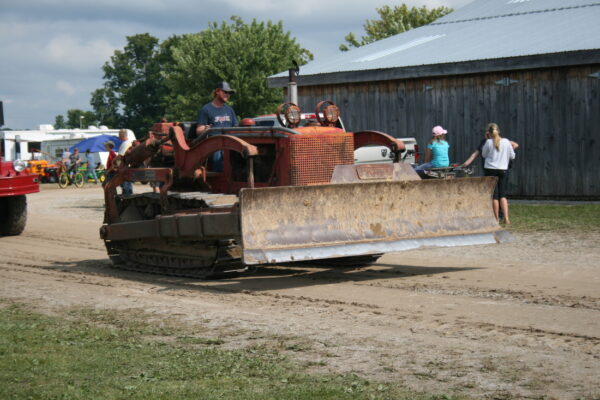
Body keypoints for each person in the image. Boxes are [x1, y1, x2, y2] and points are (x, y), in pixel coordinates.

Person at [194, 81, 238, 172]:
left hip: (229, 144)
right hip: (214, 146)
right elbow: (198, 130)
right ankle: (220, 177)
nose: (228, 95)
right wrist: (205, 129)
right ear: (217, 91)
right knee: (217, 153)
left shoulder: (230, 110)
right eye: (225, 92)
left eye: (229, 93)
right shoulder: (206, 110)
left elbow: (236, 128)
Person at [481, 123, 516, 224]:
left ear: (488, 133)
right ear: (498, 131)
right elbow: (512, 156)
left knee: (494, 196)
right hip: (503, 170)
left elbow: (483, 155)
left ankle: (496, 219)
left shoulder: (488, 142)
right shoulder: (506, 142)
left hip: (490, 170)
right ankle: (506, 218)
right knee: (503, 195)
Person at [117, 129, 133, 195]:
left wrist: (115, 164)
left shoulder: (125, 143)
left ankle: (127, 197)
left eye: (119, 135)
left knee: (125, 185)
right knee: (126, 184)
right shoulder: (128, 142)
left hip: (124, 167)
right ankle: (128, 197)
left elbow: (120, 156)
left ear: (122, 135)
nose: (118, 137)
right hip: (126, 166)